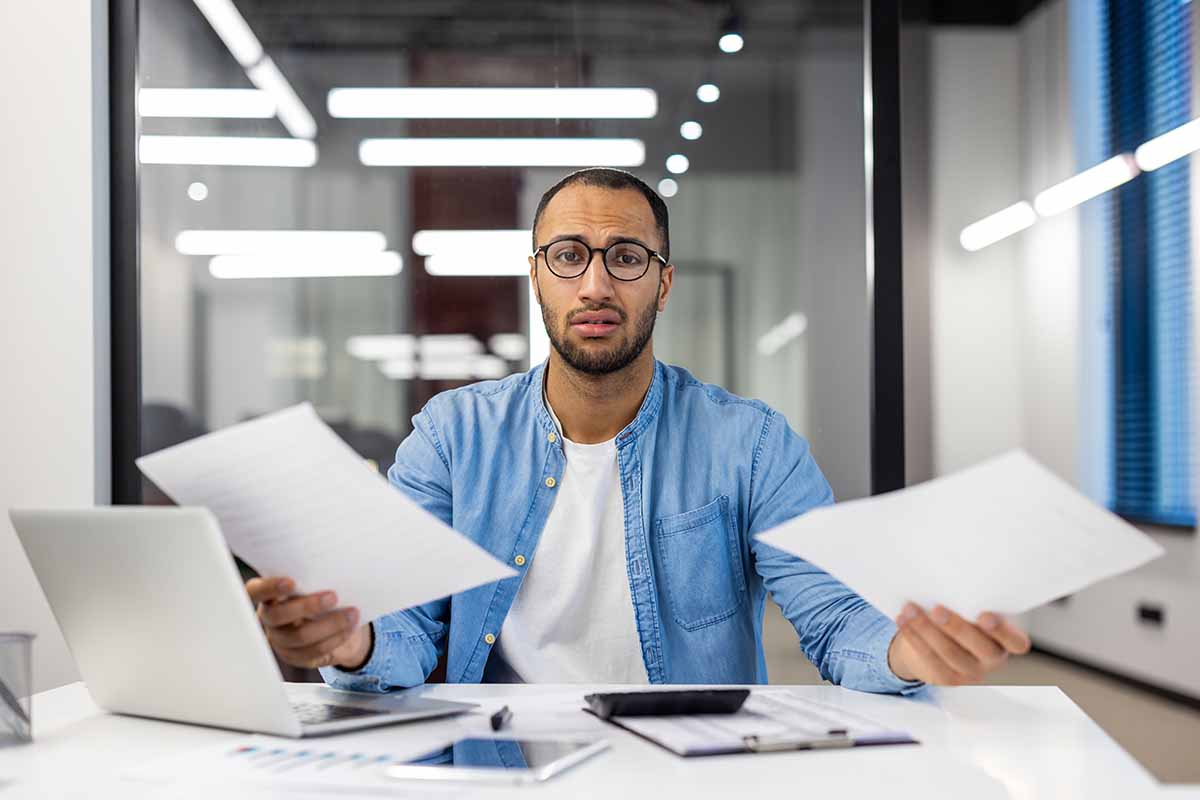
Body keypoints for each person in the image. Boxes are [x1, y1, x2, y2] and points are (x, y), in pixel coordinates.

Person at [246, 168, 1030, 692]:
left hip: (684, 774)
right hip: (500, 770)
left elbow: (833, 618)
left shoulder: (748, 444)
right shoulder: (452, 436)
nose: (594, 284)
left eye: (625, 257)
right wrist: (347, 643)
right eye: (568, 256)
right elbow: (407, 631)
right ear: (535, 275)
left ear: (663, 280)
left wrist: (905, 653)